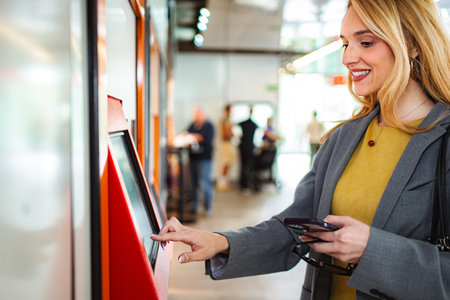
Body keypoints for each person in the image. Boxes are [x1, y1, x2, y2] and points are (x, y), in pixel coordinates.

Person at [153, 1, 450, 299]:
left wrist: (373, 251)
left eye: (366, 42)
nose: (347, 57)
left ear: (412, 43)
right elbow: (295, 226)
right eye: (345, 44)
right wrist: (220, 242)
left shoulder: (444, 139)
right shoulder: (343, 139)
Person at [186, 107, 215, 216]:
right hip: (193, 158)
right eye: (195, 115)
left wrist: (197, 137)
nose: (196, 117)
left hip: (205, 159)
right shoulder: (192, 125)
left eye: (198, 115)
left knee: (204, 183)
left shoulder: (209, 126)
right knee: (193, 183)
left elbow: (206, 139)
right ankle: (194, 206)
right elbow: (187, 133)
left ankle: (207, 208)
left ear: (203, 115)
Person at [237, 106, 258, 192]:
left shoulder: (243, 123)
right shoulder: (253, 124)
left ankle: (244, 184)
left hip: (243, 147)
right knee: (248, 166)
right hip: (249, 147)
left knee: (244, 166)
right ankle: (245, 184)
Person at [217, 104, 237, 190]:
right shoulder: (224, 120)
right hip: (225, 144)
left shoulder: (229, 121)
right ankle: (221, 182)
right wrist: (231, 132)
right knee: (225, 162)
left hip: (229, 144)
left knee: (229, 162)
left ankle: (225, 181)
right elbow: (225, 134)